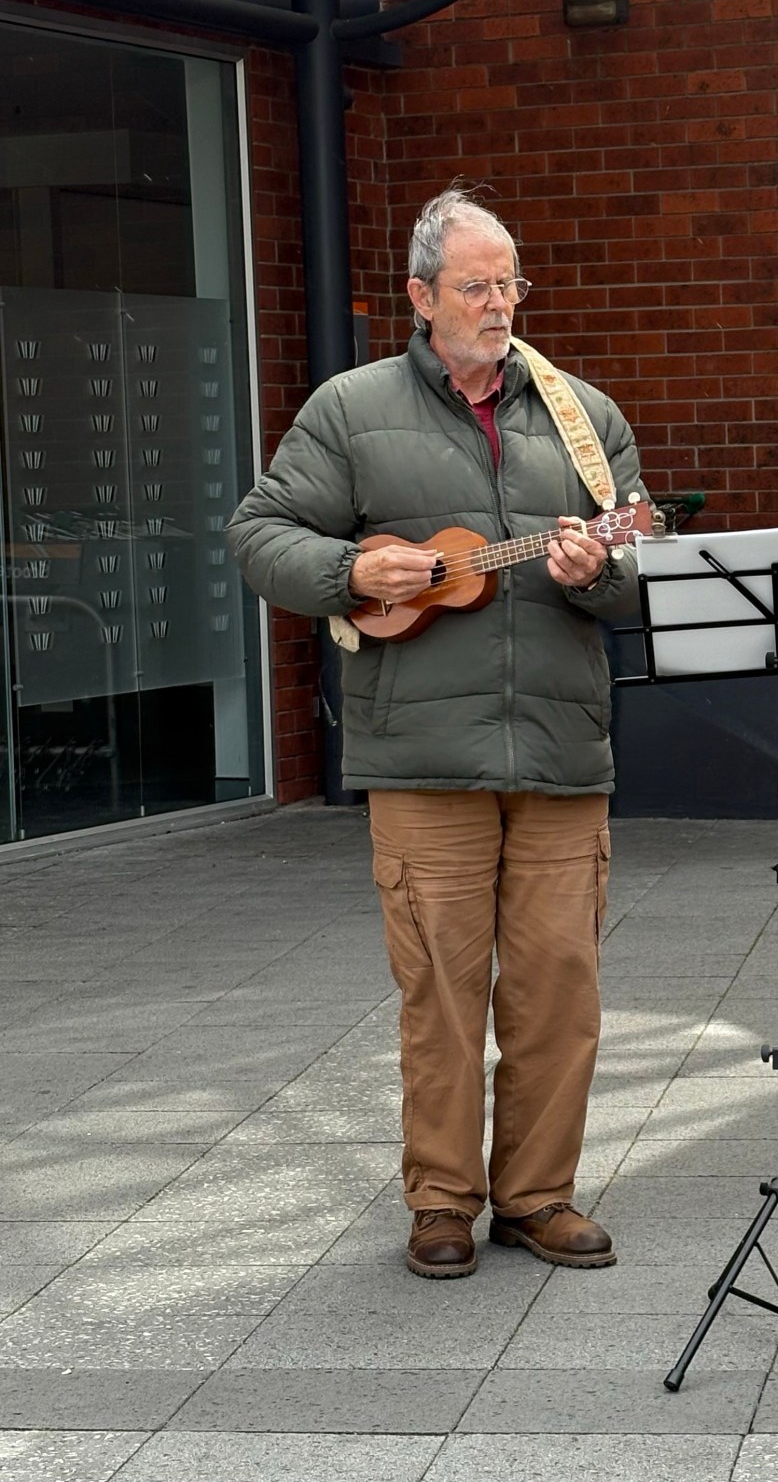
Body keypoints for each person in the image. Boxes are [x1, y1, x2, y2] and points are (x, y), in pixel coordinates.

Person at [228, 186, 643, 1279]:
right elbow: (259, 533)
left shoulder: (584, 414)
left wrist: (599, 569)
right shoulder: (350, 408)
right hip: (419, 756)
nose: (499, 304)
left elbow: (638, 566)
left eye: (510, 284)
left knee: (559, 989)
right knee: (442, 996)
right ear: (420, 296)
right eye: (475, 286)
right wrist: (351, 569)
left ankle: (538, 1195)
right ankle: (444, 1200)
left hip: (560, 754)